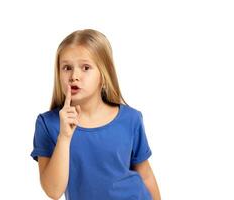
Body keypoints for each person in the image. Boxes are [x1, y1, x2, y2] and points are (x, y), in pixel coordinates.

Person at [30, 29, 161, 200]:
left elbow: (146, 175)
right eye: (67, 68)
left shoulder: (131, 119)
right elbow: (53, 191)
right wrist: (64, 137)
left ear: (103, 74)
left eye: (86, 68)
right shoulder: (48, 124)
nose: (74, 76)